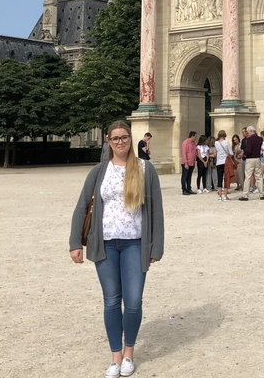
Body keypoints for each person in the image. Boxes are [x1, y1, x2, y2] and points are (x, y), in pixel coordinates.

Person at [70, 121, 164, 378]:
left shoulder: (146, 169)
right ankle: (115, 357)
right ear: (108, 142)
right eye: (115, 138)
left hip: (136, 242)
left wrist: (157, 246)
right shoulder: (99, 171)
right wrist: (74, 244)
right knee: (111, 301)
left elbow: (156, 211)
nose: (120, 142)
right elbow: (81, 207)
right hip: (106, 243)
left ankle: (129, 353)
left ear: (130, 140)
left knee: (133, 301)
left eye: (124, 138)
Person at [239, 126, 264, 201]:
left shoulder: (249, 139)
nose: (247, 134)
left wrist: (243, 154)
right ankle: (261, 194)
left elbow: (249, 150)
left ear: (250, 131)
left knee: (248, 177)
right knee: (259, 177)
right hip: (257, 158)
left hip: (250, 159)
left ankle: (245, 195)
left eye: (248, 132)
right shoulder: (260, 139)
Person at [215, 131, 233, 202]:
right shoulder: (226, 142)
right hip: (226, 162)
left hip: (219, 162)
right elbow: (230, 153)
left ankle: (220, 196)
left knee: (219, 178)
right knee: (226, 178)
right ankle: (225, 196)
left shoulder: (216, 143)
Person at [180, 132, 197, 196]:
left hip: (192, 162)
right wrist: (185, 163)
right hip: (186, 162)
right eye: (195, 136)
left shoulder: (193, 143)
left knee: (189, 176)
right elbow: (184, 153)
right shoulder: (185, 143)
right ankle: (184, 189)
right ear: (192, 136)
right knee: (185, 176)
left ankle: (189, 188)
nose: (195, 138)